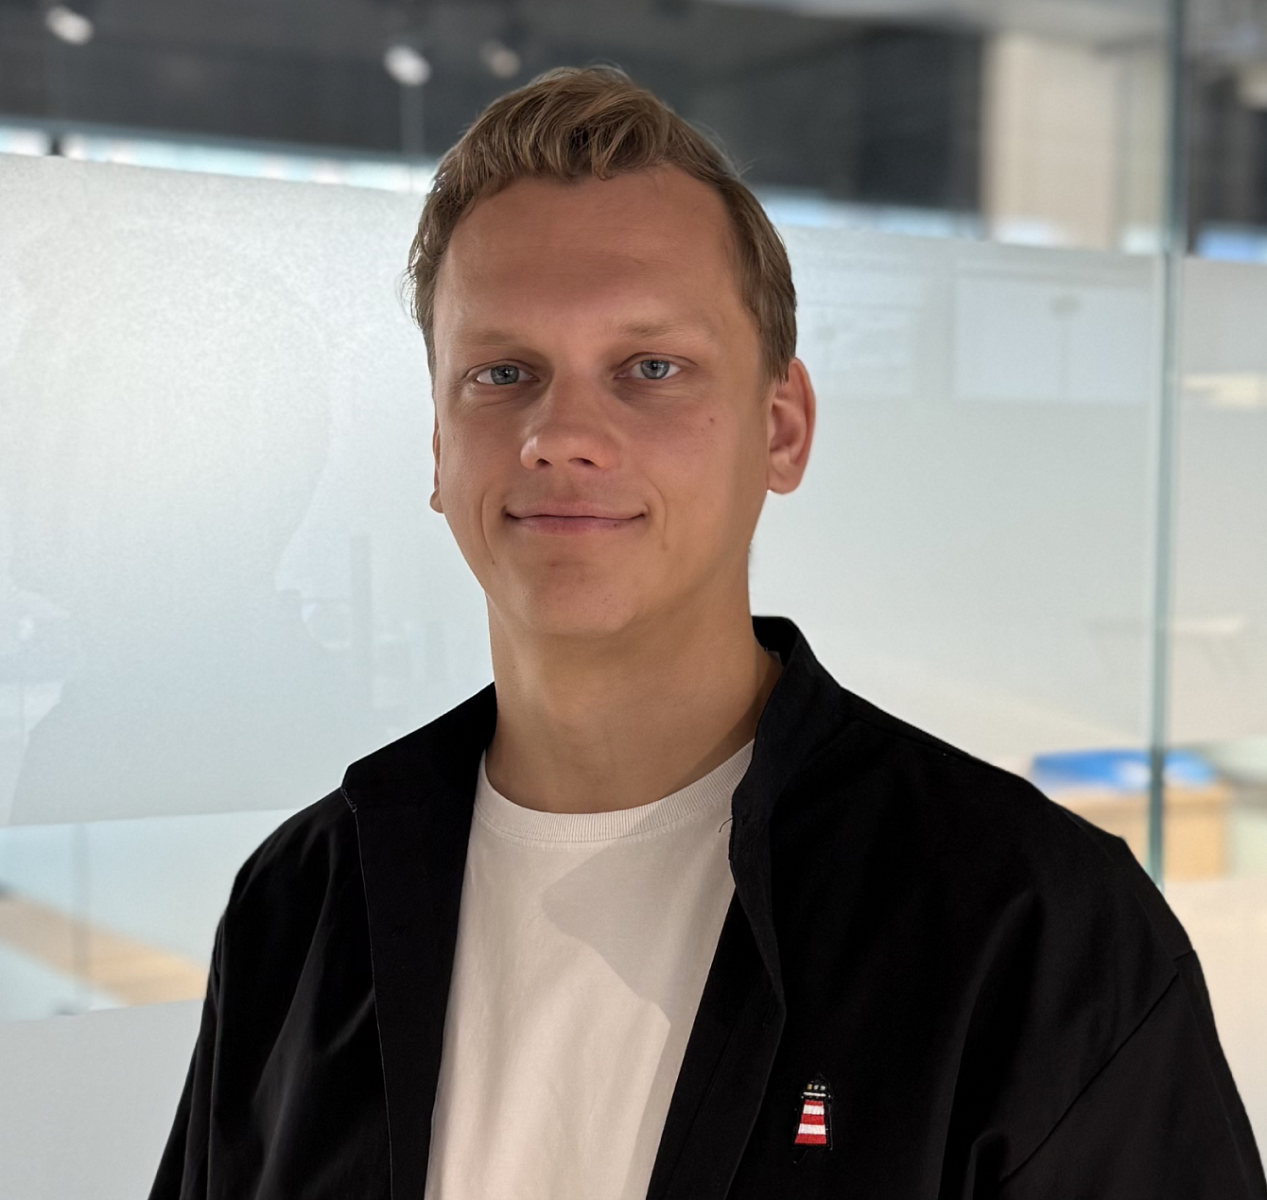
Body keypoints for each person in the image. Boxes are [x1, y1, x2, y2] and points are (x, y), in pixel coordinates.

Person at [148, 66, 1267, 1200]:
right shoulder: (300, 906)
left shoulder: (1029, 929)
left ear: (781, 430)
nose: (559, 434)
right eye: (502, 373)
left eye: (650, 369)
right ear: (439, 450)